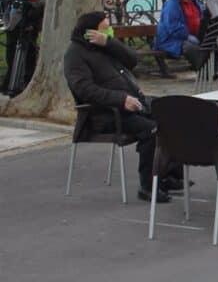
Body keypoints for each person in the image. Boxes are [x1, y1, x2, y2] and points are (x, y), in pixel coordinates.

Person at [63, 11, 184, 203]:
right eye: (105, 26)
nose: (109, 28)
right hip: (106, 114)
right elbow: (85, 89)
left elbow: (132, 60)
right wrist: (120, 99)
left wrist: (109, 42)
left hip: (134, 102)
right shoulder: (75, 55)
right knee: (151, 130)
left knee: (172, 114)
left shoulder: (104, 46)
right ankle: (147, 187)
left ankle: (170, 176)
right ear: (90, 31)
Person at [155, 0, 206, 70]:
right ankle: (203, 70)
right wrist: (187, 36)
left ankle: (217, 69)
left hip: (195, 36)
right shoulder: (172, 4)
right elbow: (173, 27)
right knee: (190, 47)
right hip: (171, 40)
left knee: (213, 42)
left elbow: (202, 17)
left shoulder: (195, 2)